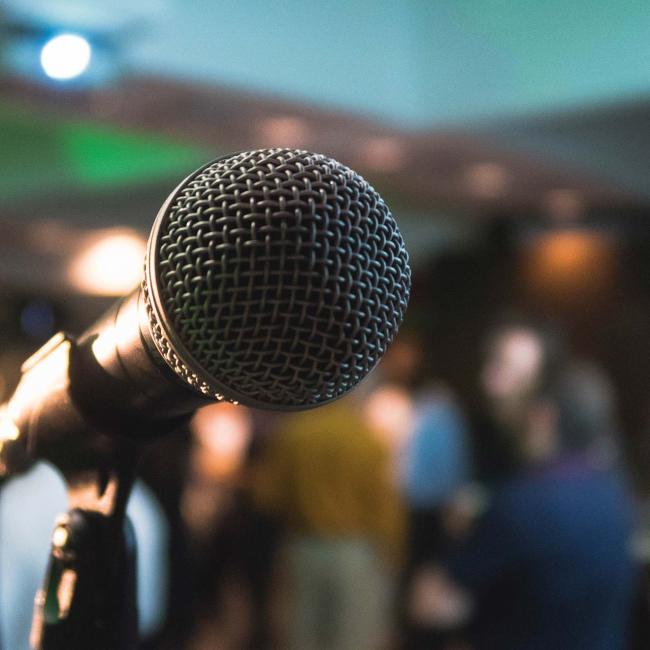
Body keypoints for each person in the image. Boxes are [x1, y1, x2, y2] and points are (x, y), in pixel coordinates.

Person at [427, 322, 637, 650]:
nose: (492, 382)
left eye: (511, 371)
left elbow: (437, 601)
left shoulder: (533, 491)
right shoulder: (608, 486)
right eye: (491, 363)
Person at [253, 392, 404, 650]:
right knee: (351, 636)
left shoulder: (294, 434)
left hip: (303, 546)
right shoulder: (366, 438)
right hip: (356, 553)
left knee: (301, 633)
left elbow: (267, 496)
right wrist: (394, 553)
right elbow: (384, 505)